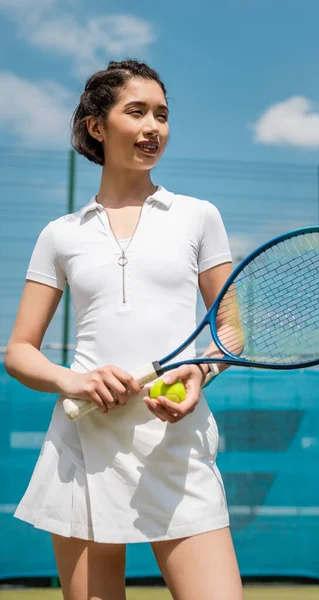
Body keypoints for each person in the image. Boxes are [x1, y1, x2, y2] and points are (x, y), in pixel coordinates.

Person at [5, 59, 244, 600]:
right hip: (83, 445)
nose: (152, 127)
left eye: (161, 114)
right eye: (135, 112)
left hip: (176, 444)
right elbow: (19, 351)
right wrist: (75, 382)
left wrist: (200, 371)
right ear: (97, 126)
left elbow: (231, 329)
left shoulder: (198, 216)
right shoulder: (59, 235)